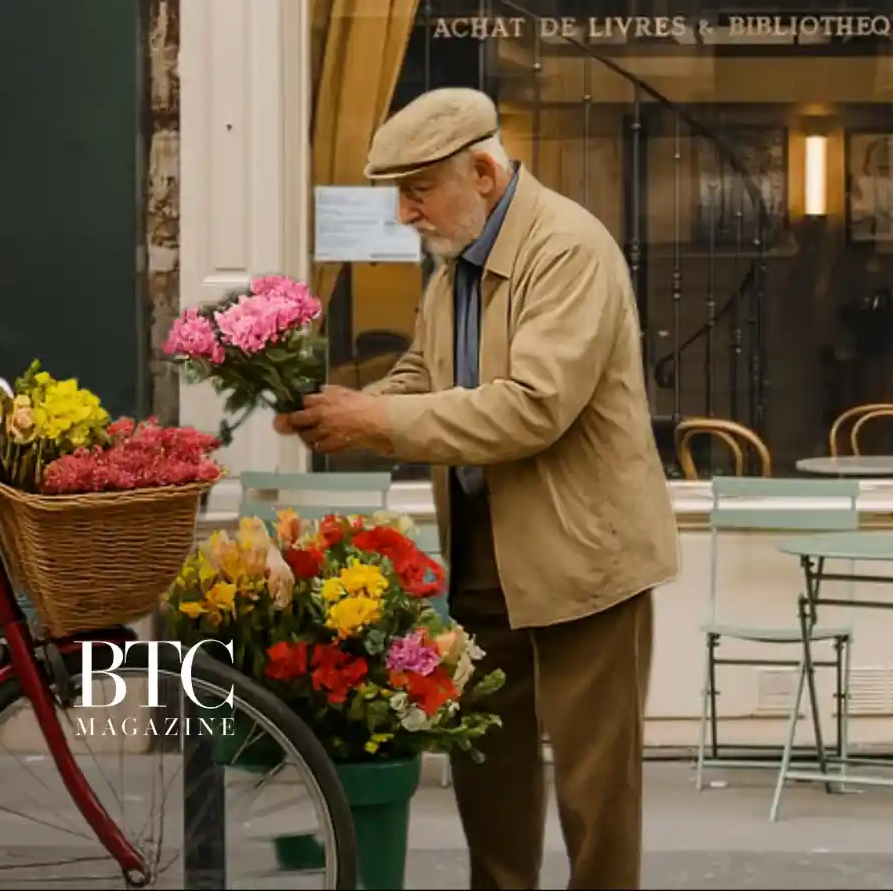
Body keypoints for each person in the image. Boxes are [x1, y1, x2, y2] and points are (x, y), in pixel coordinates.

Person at [279, 86, 679, 890]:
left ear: (486, 173)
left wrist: (377, 423)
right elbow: (430, 373)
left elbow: (533, 408)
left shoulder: (567, 249)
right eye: (400, 193)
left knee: (595, 792)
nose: (405, 213)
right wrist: (341, 410)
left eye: (419, 190)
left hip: (586, 562)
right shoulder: (454, 266)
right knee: (488, 776)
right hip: (484, 552)